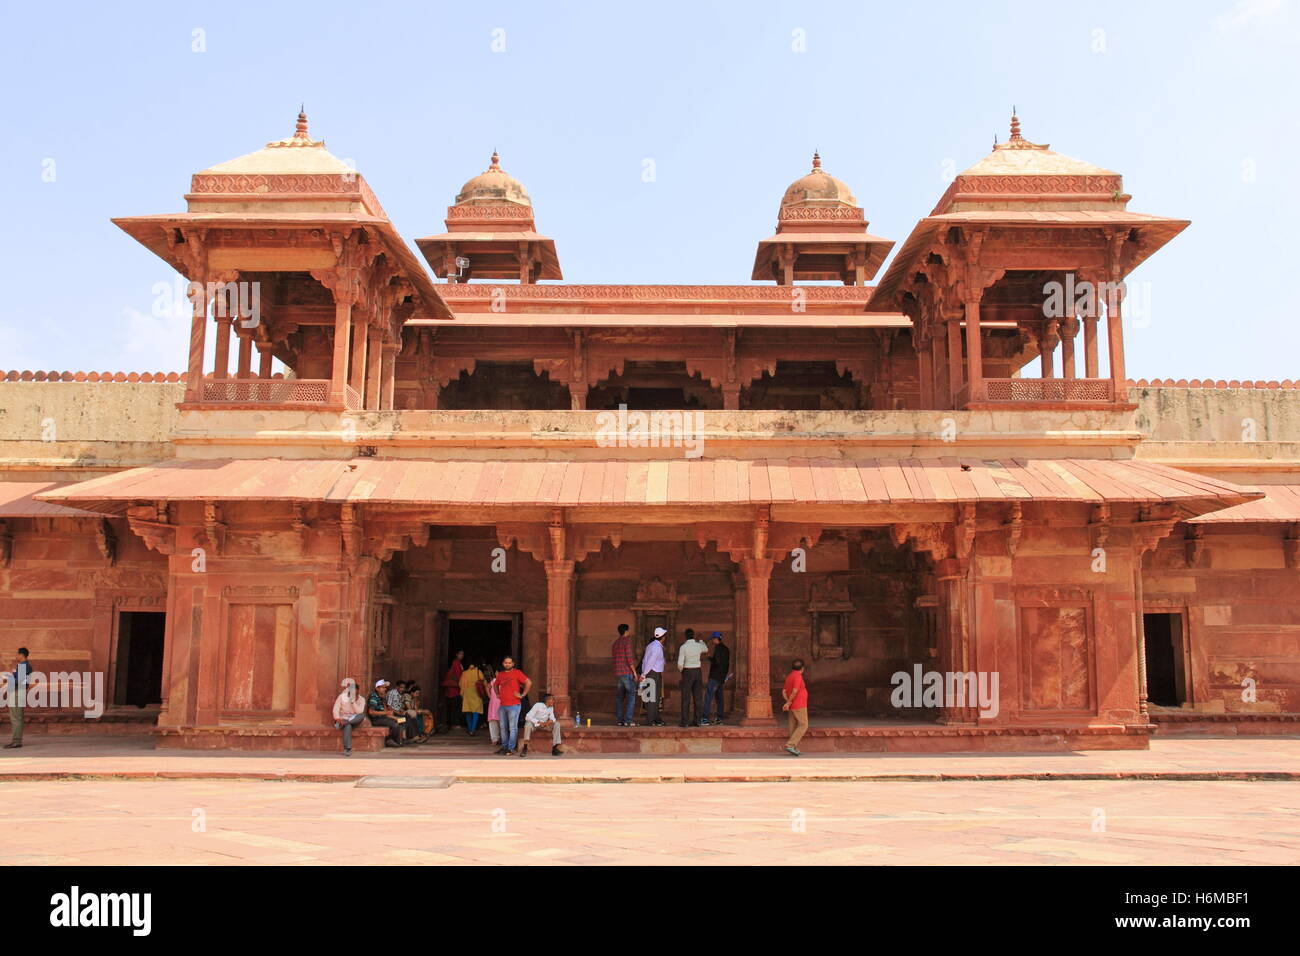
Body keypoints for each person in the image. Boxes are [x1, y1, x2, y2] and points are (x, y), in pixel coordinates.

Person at [491, 656, 532, 755]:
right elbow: (495, 685)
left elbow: (528, 682)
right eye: (506, 662)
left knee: (512, 727)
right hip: (503, 705)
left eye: (509, 663)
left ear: (513, 664)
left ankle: (511, 748)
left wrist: (522, 695)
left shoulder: (517, 673)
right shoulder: (500, 674)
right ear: (503, 663)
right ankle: (504, 747)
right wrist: (497, 694)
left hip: (514, 705)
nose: (507, 664)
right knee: (503, 727)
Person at [677, 627, 708, 727]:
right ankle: (697, 721)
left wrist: (682, 672)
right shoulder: (698, 646)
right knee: (698, 697)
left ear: (685, 636)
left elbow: (680, 664)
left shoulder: (683, 647)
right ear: (693, 636)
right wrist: (701, 640)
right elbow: (706, 649)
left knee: (686, 698)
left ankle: (685, 722)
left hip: (687, 671)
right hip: (697, 671)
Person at [4, 648, 34, 749]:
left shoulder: (23, 666)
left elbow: (18, 681)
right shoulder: (24, 666)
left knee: (16, 717)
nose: (15, 656)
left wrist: (8, 679)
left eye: (17, 654)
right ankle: (16, 740)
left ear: (21, 655)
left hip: (17, 692)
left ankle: (16, 741)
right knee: (16, 717)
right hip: (18, 692)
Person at [520, 692, 563, 757]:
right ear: (547, 700)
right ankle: (525, 748)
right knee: (528, 724)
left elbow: (553, 718)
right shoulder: (538, 705)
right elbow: (528, 716)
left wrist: (547, 723)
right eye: (552, 700)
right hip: (535, 724)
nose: (553, 701)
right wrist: (539, 722)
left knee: (557, 724)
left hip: (545, 725)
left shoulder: (551, 708)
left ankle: (554, 748)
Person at [611, 623, 638, 727]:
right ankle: (628, 720)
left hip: (618, 673)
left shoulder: (615, 643)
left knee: (619, 697)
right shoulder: (627, 641)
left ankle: (620, 720)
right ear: (626, 631)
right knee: (631, 696)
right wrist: (635, 673)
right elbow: (629, 659)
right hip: (626, 672)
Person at [782, 659, 809, 756]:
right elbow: (795, 690)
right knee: (803, 724)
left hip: (792, 705)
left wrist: (788, 702)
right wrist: (789, 702)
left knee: (793, 726)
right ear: (802, 669)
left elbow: (784, 691)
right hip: (799, 704)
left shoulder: (789, 676)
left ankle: (793, 747)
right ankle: (790, 744)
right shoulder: (798, 676)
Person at [332, 678, 367, 755]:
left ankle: (345, 723)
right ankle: (347, 749)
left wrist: (353, 702)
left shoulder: (361, 699)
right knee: (348, 726)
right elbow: (336, 708)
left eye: (356, 693)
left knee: (362, 715)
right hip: (342, 719)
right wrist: (337, 719)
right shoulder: (341, 697)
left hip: (354, 719)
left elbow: (359, 712)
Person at [640, 627, 667, 726]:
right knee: (652, 697)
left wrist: (644, 673)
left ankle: (655, 718)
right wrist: (644, 674)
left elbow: (645, 660)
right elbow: (651, 661)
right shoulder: (657, 647)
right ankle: (651, 720)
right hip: (653, 673)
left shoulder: (651, 645)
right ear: (663, 637)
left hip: (651, 672)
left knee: (654, 697)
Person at [703, 632, 731, 725]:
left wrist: (710, 658)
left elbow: (717, 662)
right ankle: (720, 718)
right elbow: (726, 664)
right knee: (720, 699)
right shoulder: (726, 649)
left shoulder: (718, 649)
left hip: (715, 677)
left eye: (712, 639)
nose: (712, 641)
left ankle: (705, 718)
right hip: (721, 677)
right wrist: (724, 677)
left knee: (708, 697)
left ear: (715, 639)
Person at [367, 679, 405, 747]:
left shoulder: (381, 698)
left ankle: (399, 740)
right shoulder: (374, 697)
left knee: (402, 720)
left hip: (384, 718)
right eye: (383, 687)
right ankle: (389, 740)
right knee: (395, 724)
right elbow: (371, 712)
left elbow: (386, 714)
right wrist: (386, 713)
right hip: (377, 720)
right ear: (377, 688)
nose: (385, 689)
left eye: (385, 687)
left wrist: (395, 717)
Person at [460, 660, 486, 735]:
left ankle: (470, 728)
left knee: (468, 711)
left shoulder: (464, 673)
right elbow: (484, 682)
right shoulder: (478, 672)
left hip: (467, 693)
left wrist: (462, 694)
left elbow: (461, 684)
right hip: (476, 693)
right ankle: (473, 729)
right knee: (476, 711)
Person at [441, 650, 464, 730]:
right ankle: (454, 723)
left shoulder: (457, 663)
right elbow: (458, 676)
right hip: (454, 689)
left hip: (452, 688)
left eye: (462, 654)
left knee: (452, 706)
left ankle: (449, 723)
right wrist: (462, 684)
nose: (462, 655)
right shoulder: (456, 663)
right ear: (456, 654)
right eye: (460, 654)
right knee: (455, 707)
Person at [484, 665, 502, 749]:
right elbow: (487, 687)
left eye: (497, 672)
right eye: (496, 672)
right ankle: (494, 739)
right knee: (493, 721)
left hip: (502, 704)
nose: (496, 673)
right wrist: (490, 696)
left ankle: (502, 739)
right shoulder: (493, 681)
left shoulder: (505, 681)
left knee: (502, 722)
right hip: (494, 703)